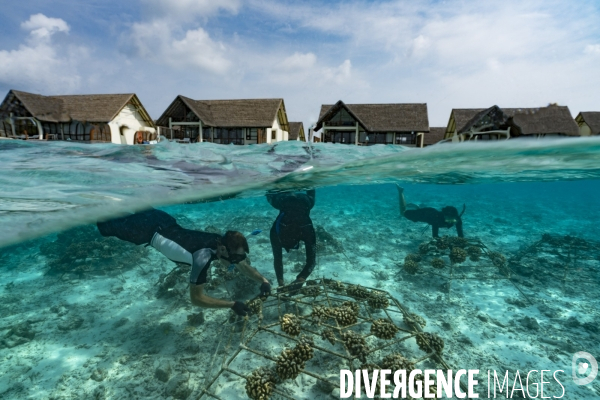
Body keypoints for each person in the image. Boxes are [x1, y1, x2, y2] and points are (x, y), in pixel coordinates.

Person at [97, 208, 271, 316]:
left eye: (239, 258)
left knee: (121, 208)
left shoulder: (221, 242)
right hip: (145, 230)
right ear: (224, 250)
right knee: (103, 224)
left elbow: (244, 267)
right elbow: (197, 299)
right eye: (236, 258)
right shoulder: (202, 257)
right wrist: (232, 305)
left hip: (162, 219)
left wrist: (263, 281)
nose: (237, 262)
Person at [267, 189, 317, 292]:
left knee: (271, 193)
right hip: (291, 201)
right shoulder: (275, 233)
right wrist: (282, 283)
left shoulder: (307, 230)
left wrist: (300, 280)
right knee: (270, 194)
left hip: (302, 201)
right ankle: (308, 186)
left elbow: (278, 259)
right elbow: (311, 261)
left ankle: (308, 186)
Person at [396, 185, 464, 238]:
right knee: (403, 212)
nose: (451, 222)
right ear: (444, 216)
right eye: (449, 219)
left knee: (419, 211)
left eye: (453, 220)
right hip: (426, 214)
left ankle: (417, 208)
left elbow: (461, 235)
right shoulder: (436, 220)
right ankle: (400, 192)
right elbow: (435, 236)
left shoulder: (457, 219)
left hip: (431, 212)